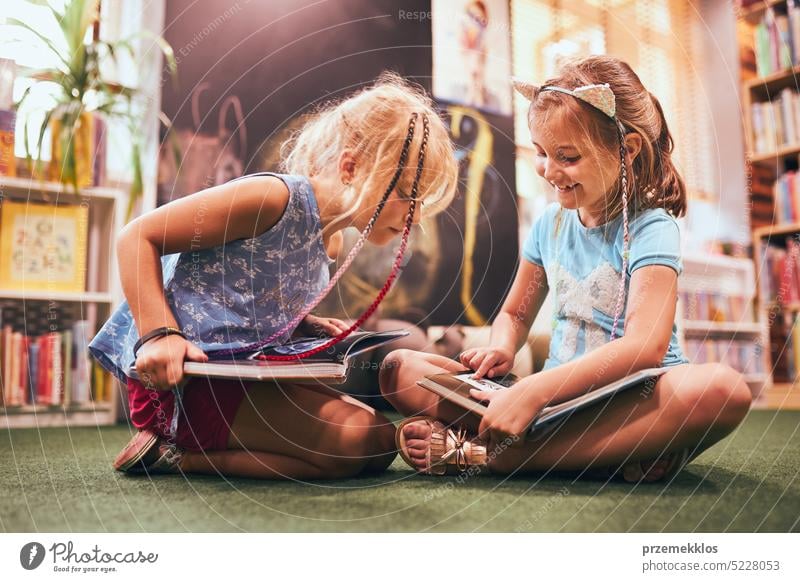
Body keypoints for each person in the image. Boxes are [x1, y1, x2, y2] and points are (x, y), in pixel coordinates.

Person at [380, 56, 752, 482]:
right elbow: (515, 314)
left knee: (721, 390)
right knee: (400, 368)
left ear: (625, 150)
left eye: (568, 157)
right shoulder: (548, 225)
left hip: (629, 399)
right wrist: (503, 347)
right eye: (541, 153)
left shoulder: (654, 229)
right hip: (553, 404)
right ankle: (605, 456)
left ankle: (494, 455)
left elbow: (644, 348)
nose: (550, 171)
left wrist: (534, 390)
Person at [89, 72, 459, 479]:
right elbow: (137, 237)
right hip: (182, 382)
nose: (416, 217)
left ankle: (191, 450)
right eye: (408, 194)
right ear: (351, 167)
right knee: (351, 440)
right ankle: (176, 454)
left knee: (377, 440)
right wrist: (159, 335)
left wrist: (302, 325)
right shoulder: (272, 197)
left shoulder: (331, 242)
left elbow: (241, 291)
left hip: (241, 372)